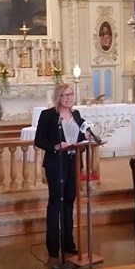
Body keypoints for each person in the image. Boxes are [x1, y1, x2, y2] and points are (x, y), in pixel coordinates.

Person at [34, 83, 87, 259]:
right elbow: (39, 141)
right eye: (64, 95)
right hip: (56, 163)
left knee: (69, 201)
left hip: (73, 162)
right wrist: (56, 146)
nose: (68, 98)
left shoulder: (77, 115)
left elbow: (81, 137)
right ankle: (53, 246)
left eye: (70, 94)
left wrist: (83, 144)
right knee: (56, 202)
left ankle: (68, 243)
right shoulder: (49, 115)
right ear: (58, 97)